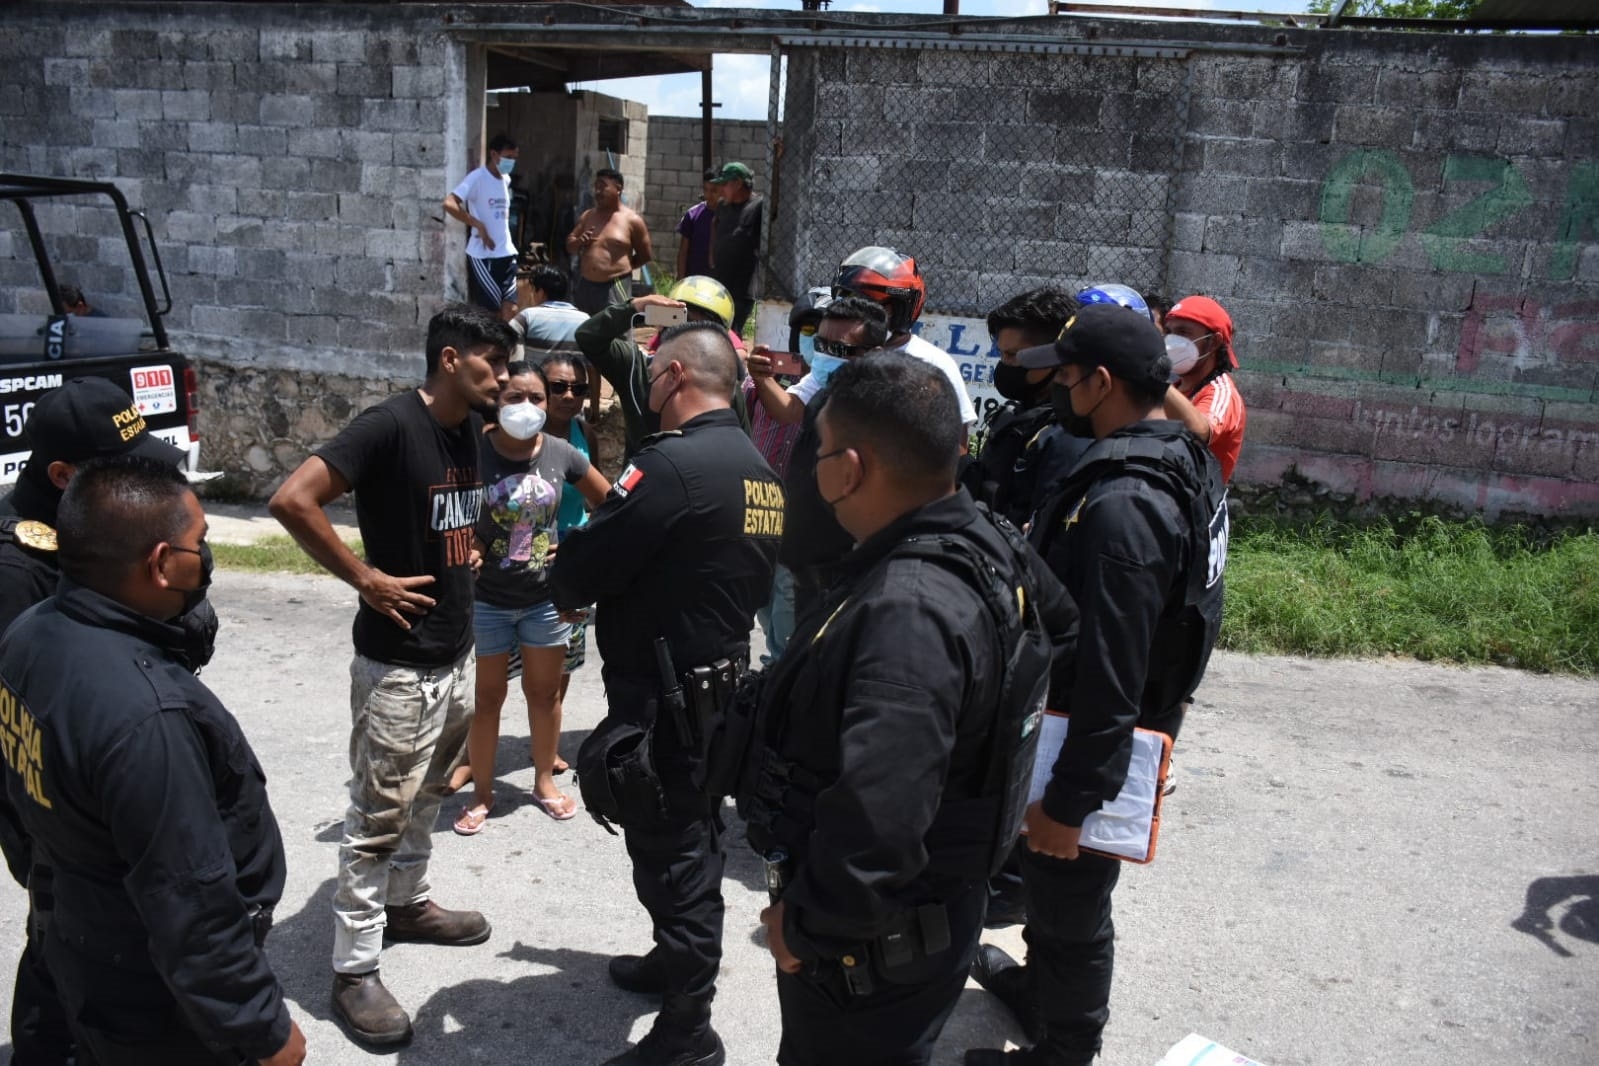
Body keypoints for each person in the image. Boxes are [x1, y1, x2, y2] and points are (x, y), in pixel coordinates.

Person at [738, 351, 1073, 1066]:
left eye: (817, 452)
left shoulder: (907, 610)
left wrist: (807, 929)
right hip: (937, 905)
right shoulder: (986, 536)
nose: (812, 468)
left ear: (850, 467)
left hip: (872, 947)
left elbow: (879, 819)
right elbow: (1063, 628)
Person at [965, 304, 1228, 1066]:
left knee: (1072, 904)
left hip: (1091, 740)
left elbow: (1117, 667)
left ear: (1102, 382)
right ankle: (1042, 996)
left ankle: (1066, 1049)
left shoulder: (1124, 505)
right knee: (1053, 895)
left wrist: (1073, 802)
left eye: (1066, 375)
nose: (1054, 387)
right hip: (1100, 730)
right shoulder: (1178, 451)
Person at [0, 454, 305, 1066]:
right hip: (154, 997)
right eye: (201, 542)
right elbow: (189, 903)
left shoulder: (30, 632)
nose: (207, 555)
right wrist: (262, 1029)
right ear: (162, 564)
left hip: (79, 930)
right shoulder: (147, 719)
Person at [268, 303, 514, 1048]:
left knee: (426, 798)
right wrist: (364, 577)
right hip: (399, 667)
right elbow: (291, 498)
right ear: (448, 359)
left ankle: (408, 904)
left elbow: (446, 518)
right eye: (490, 362)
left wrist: (465, 551)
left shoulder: (467, 428)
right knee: (374, 818)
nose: (502, 377)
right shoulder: (387, 425)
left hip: (456, 651)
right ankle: (353, 968)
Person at [549, 322, 782, 1066]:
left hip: (666, 701)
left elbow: (585, 565)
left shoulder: (674, 466)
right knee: (691, 837)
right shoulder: (755, 469)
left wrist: (568, 576)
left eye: (650, 374)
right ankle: (669, 964)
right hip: (715, 691)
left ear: (675, 376)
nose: (644, 386)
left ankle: (688, 1028)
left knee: (675, 853)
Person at [0, 378, 191, 1066]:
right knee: (66, 941)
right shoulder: (18, 568)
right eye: (123, 467)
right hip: (57, 812)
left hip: (88, 794)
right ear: (62, 476)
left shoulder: (86, 544)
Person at [451, 360, 610, 835]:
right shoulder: (472, 453)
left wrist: (579, 545)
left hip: (545, 600)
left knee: (543, 695)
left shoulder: (562, 453)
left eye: (536, 398)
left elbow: (613, 504)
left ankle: (544, 782)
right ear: (496, 404)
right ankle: (482, 793)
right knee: (486, 700)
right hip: (486, 601)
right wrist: (466, 549)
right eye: (514, 397)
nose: (527, 407)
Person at [747, 296, 889, 621]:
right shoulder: (824, 386)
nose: (824, 356)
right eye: (820, 344)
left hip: (845, 569)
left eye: (838, 350)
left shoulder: (882, 412)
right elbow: (786, 410)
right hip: (806, 562)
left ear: (874, 355)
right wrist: (762, 376)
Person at [576, 274, 750, 459]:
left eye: (701, 326)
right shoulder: (636, 366)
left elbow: (743, 447)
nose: (689, 333)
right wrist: (634, 308)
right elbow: (588, 337)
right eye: (680, 319)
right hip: (645, 481)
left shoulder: (725, 386)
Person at [961, 288, 1079, 527]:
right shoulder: (1018, 414)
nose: (1005, 365)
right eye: (1002, 354)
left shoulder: (1067, 434)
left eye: (1014, 355)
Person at [831, 246, 979, 432]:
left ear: (899, 310)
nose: (854, 312)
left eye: (867, 304)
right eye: (846, 302)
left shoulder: (933, 361)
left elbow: (957, 443)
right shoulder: (836, 351)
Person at [538, 351, 601, 703]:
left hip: (571, 554)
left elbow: (598, 499)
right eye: (558, 386)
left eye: (578, 389)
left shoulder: (585, 434)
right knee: (506, 656)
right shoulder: (512, 435)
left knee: (565, 651)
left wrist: (587, 544)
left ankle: (547, 734)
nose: (568, 396)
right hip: (523, 554)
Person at [1161, 294, 1247, 483]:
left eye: (1183, 332)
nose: (1172, 341)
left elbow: (1199, 431)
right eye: (1169, 332)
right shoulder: (1175, 389)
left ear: (1213, 342)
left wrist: (1155, 382)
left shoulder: (1221, 392)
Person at [443, 132, 520, 321]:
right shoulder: (477, 178)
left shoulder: (506, 180)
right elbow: (449, 203)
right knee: (490, 313)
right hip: (484, 255)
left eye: (514, 158)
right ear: (494, 155)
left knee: (511, 309)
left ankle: (504, 348)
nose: (511, 162)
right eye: (508, 157)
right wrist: (478, 225)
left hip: (506, 251)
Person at [512, 264, 601, 421]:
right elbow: (594, 368)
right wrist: (595, 407)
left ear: (540, 292)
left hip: (534, 406)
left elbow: (511, 356)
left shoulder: (527, 317)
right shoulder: (585, 320)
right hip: (571, 406)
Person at [567, 167, 654, 315]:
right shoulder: (588, 216)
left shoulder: (632, 220)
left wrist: (621, 268)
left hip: (615, 285)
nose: (598, 192)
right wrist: (580, 241)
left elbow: (645, 255)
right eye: (596, 187)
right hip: (586, 284)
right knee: (583, 328)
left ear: (618, 189)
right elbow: (570, 245)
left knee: (614, 330)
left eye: (602, 186)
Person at [708, 162, 764, 332]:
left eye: (725, 184)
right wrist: (711, 256)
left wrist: (777, 161)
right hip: (719, 283)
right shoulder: (724, 206)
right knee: (715, 329)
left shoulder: (758, 206)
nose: (721, 190)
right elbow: (715, 225)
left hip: (742, 288)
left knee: (732, 332)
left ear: (738, 183)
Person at [675, 169, 720, 281]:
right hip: (694, 281)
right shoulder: (693, 215)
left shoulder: (729, 215)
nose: (709, 195)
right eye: (706, 190)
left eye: (714, 190)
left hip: (719, 283)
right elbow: (683, 252)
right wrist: (681, 280)